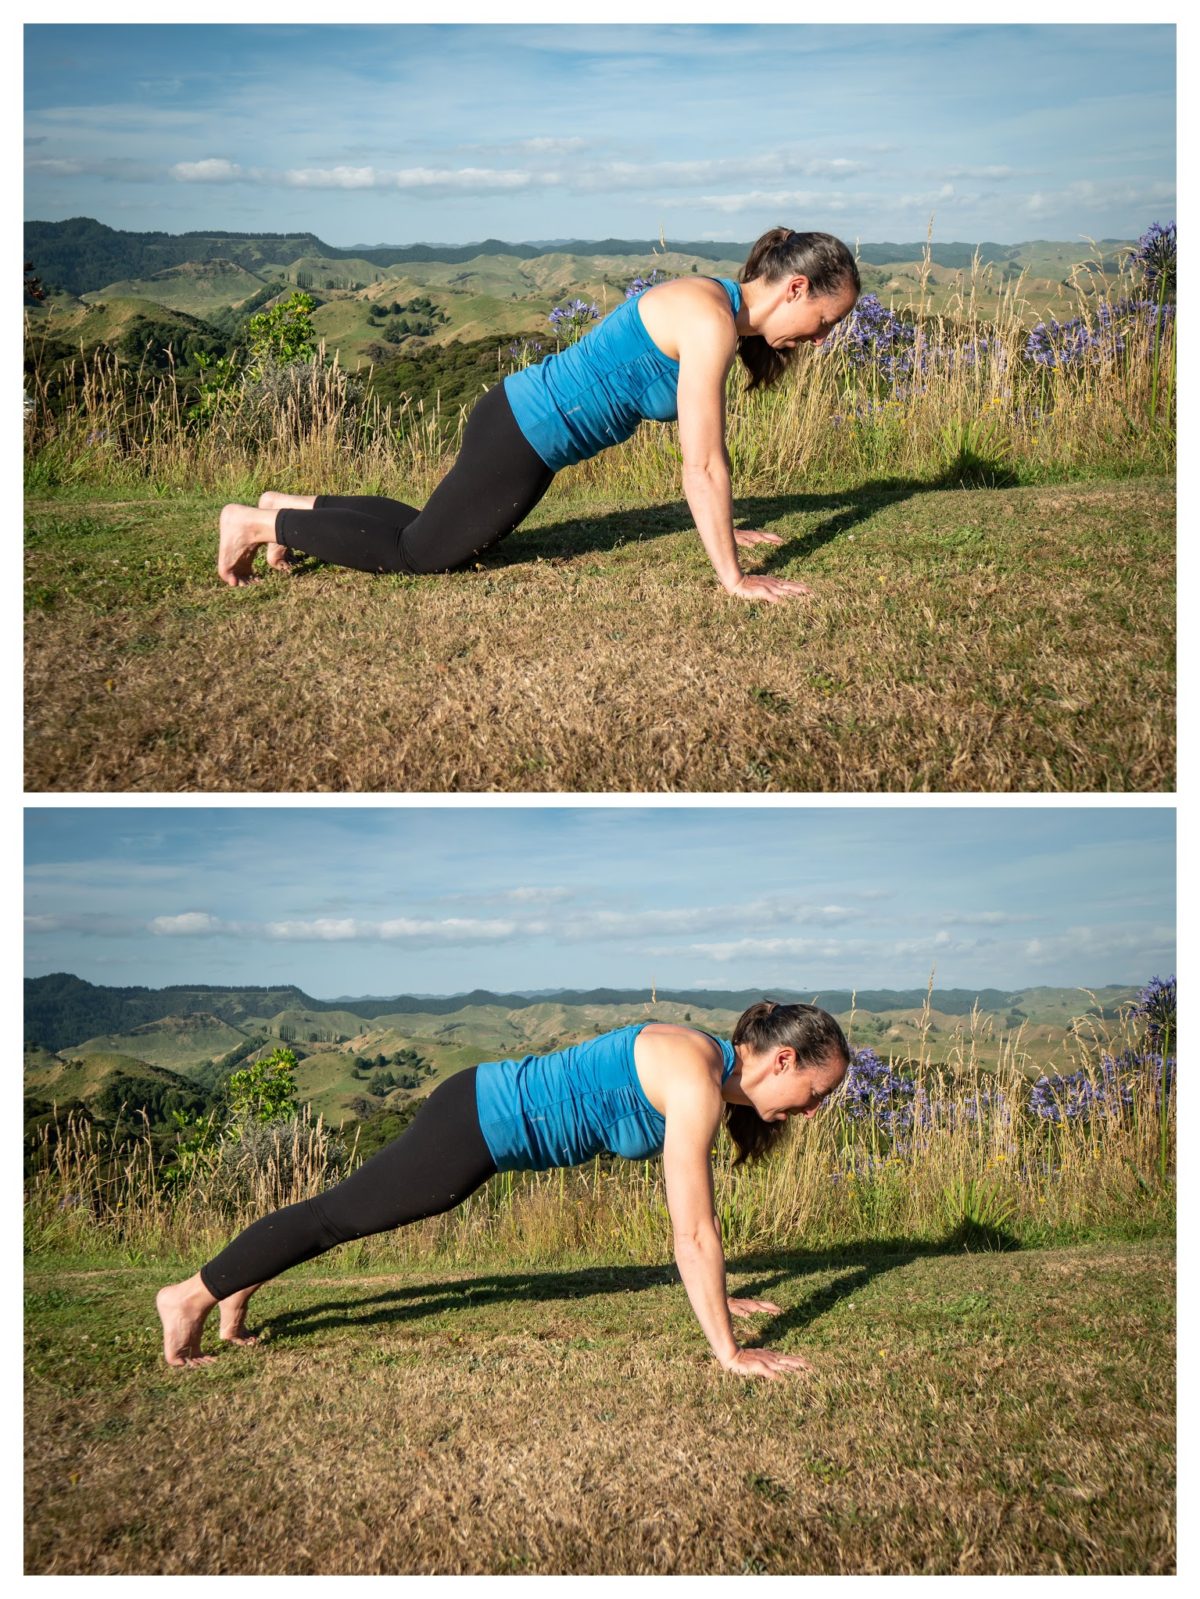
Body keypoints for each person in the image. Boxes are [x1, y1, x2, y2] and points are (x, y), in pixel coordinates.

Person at [156, 1000, 851, 1377]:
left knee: (341, 1209)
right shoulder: (697, 1079)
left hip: (483, 1116)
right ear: (783, 1058)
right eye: (814, 1092)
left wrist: (717, 1293)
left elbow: (690, 1210)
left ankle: (239, 1281)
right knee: (340, 1217)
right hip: (478, 1123)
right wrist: (729, 1351)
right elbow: (694, 1232)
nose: (812, 1110)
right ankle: (187, 1295)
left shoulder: (703, 1065)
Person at [216, 228, 860, 604]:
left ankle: (284, 505)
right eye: (826, 322)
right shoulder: (709, 321)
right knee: (422, 555)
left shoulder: (710, 306)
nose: (822, 337)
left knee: (429, 529)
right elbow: (703, 464)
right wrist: (734, 576)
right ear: (796, 288)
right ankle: (253, 522)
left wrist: (726, 529)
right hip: (523, 434)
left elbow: (702, 459)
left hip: (523, 426)